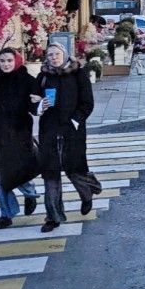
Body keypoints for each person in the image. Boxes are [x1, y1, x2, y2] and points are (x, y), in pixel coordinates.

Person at [34, 42, 103, 232]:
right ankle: (53, 217)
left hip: (72, 131)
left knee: (75, 170)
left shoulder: (78, 74)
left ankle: (87, 193)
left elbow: (87, 103)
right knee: (50, 174)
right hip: (49, 130)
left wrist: (75, 120)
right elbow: (32, 100)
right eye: (50, 55)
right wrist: (40, 107)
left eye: (57, 54)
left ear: (65, 55)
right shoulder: (43, 76)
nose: (53, 58)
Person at [0, 48, 40, 230]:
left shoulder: (26, 81)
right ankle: (6, 215)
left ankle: (30, 194)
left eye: (9, 61)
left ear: (17, 61)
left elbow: (34, 106)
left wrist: (39, 105)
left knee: (18, 171)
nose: (5, 64)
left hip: (18, 135)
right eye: (2, 61)